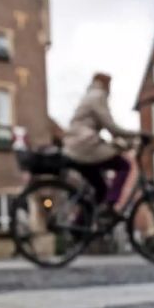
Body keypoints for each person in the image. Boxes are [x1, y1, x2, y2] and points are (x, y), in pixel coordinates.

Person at [63, 73, 145, 214]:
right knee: (123, 165)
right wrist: (138, 134)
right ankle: (110, 206)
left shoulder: (89, 96)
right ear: (106, 84)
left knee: (100, 189)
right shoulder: (98, 96)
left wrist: (124, 142)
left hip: (75, 147)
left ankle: (79, 227)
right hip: (85, 146)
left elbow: (108, 132)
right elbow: (111, 127)